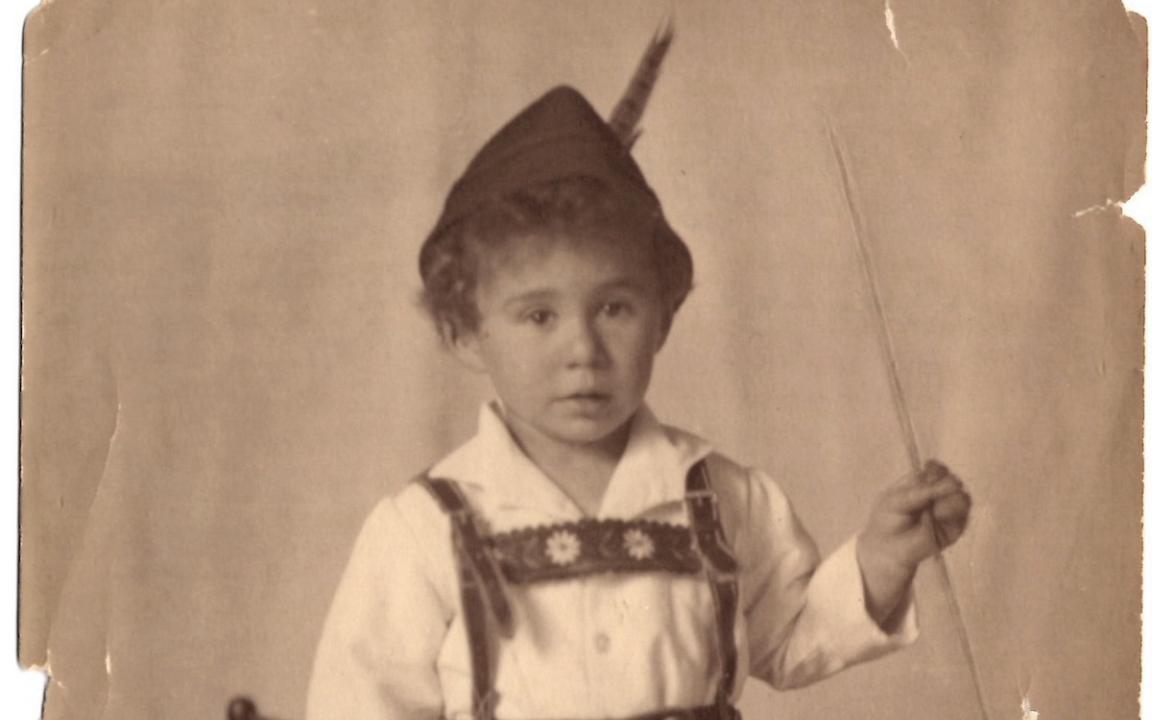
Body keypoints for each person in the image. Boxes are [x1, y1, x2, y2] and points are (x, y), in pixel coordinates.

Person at [305, 34, 971, 720]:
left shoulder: (721, 498)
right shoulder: (425, 531)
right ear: (464, 332)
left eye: (615, 308)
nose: (583, 350)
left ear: (664, 315)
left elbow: (791, 637)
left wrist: (885, 560)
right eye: (538, 316)